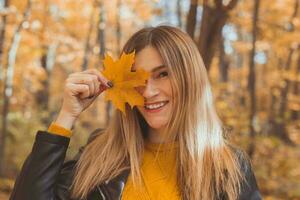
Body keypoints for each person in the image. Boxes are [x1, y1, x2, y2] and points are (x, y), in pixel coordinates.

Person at [10, 25, 262, 200]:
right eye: (138, 78)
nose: (148, 91)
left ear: (190, 80)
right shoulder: (101, 155)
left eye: (163, 74)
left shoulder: (229, 167)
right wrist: (65, 117)